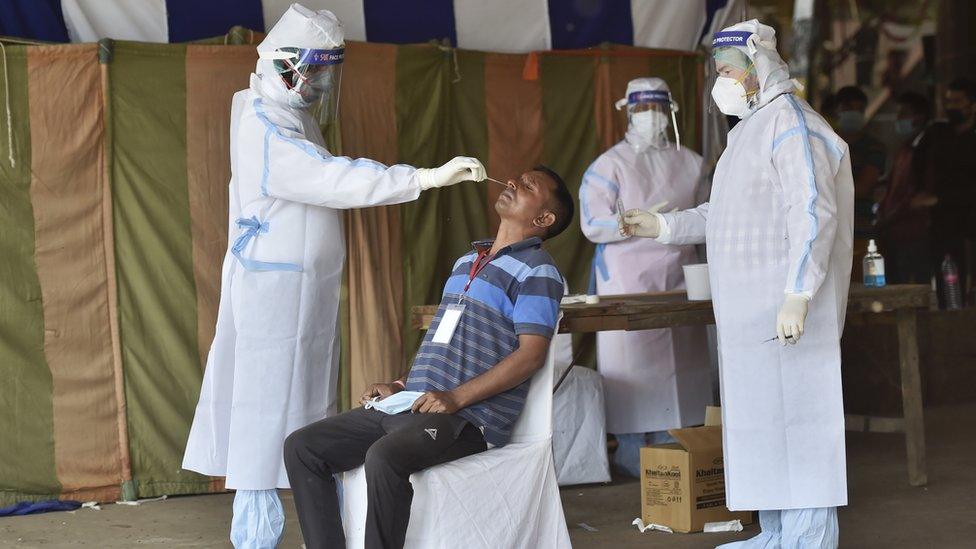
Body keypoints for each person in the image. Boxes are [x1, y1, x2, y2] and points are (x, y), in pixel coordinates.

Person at [180, 5, 487, 548]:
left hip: (301, 294)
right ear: (285, 64)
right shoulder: (261, 120)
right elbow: (329, 178)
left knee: (304, 419)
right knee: (261, 419)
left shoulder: (291, 112)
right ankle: (254, 537)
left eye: (327, 70)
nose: (322, 81)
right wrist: (421, 178)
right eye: (316, 69)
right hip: (273, 297)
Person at [624, 20, 852, 548]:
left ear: (758, 67)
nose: (719, 80)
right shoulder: (748, 132)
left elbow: (814, 211)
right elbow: (721, 215)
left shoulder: (793, 124)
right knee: (764, 429)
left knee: (801, 424)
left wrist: (798, 292)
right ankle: (775, 533)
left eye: (727, 69)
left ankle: (810, 538)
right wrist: (662, 226)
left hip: (789, 309)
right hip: (752, 317)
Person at [283, 166, 574, 549]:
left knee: (384, 457)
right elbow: (441, 343)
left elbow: (531, 356)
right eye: (516, 177)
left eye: (528, 185)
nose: (512, 182)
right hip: (414, 406)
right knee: (303, 447)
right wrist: (401, 385)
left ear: (544, 219)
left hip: (468, 420)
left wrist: (456, 398)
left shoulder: (539, 270)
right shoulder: (464, 263)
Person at [579, 77, 712, 477]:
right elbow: (591, 223)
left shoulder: (691, 162)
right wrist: (627, 224)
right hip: (627, 279)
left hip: (680, 277)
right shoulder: (610, 164)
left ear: (670, 111)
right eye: (641, 110)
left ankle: (690, 447)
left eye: (656, 109)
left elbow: (711, 216)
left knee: (685, 360)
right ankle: (636, 455)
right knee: (634, 366)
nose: (650, 118)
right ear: (628, 112)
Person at [917, 77, 976, 305]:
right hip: (942, 224)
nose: (951, 106)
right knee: (948, 290)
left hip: (968, 219)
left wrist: (941, 199)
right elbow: (917, 167)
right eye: (948, 101)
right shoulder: (937, 133)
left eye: (958, 101)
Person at [876, 92, 934, 284]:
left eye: (904, 113)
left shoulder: (926, 150)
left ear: (919, 116)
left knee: (915, 289)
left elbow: (917, 196)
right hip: (895, 231)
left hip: (913, 233)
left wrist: (891, 215)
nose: (898, 118)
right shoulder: (905, 149)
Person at [833, 85, 886, 279]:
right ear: (837, 110)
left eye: (858, 109)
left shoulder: (874, 147)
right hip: (831, 233)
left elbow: (863, 188)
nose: (853, 113)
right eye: (848, 108)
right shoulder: (824, 142)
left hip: (861, 233)